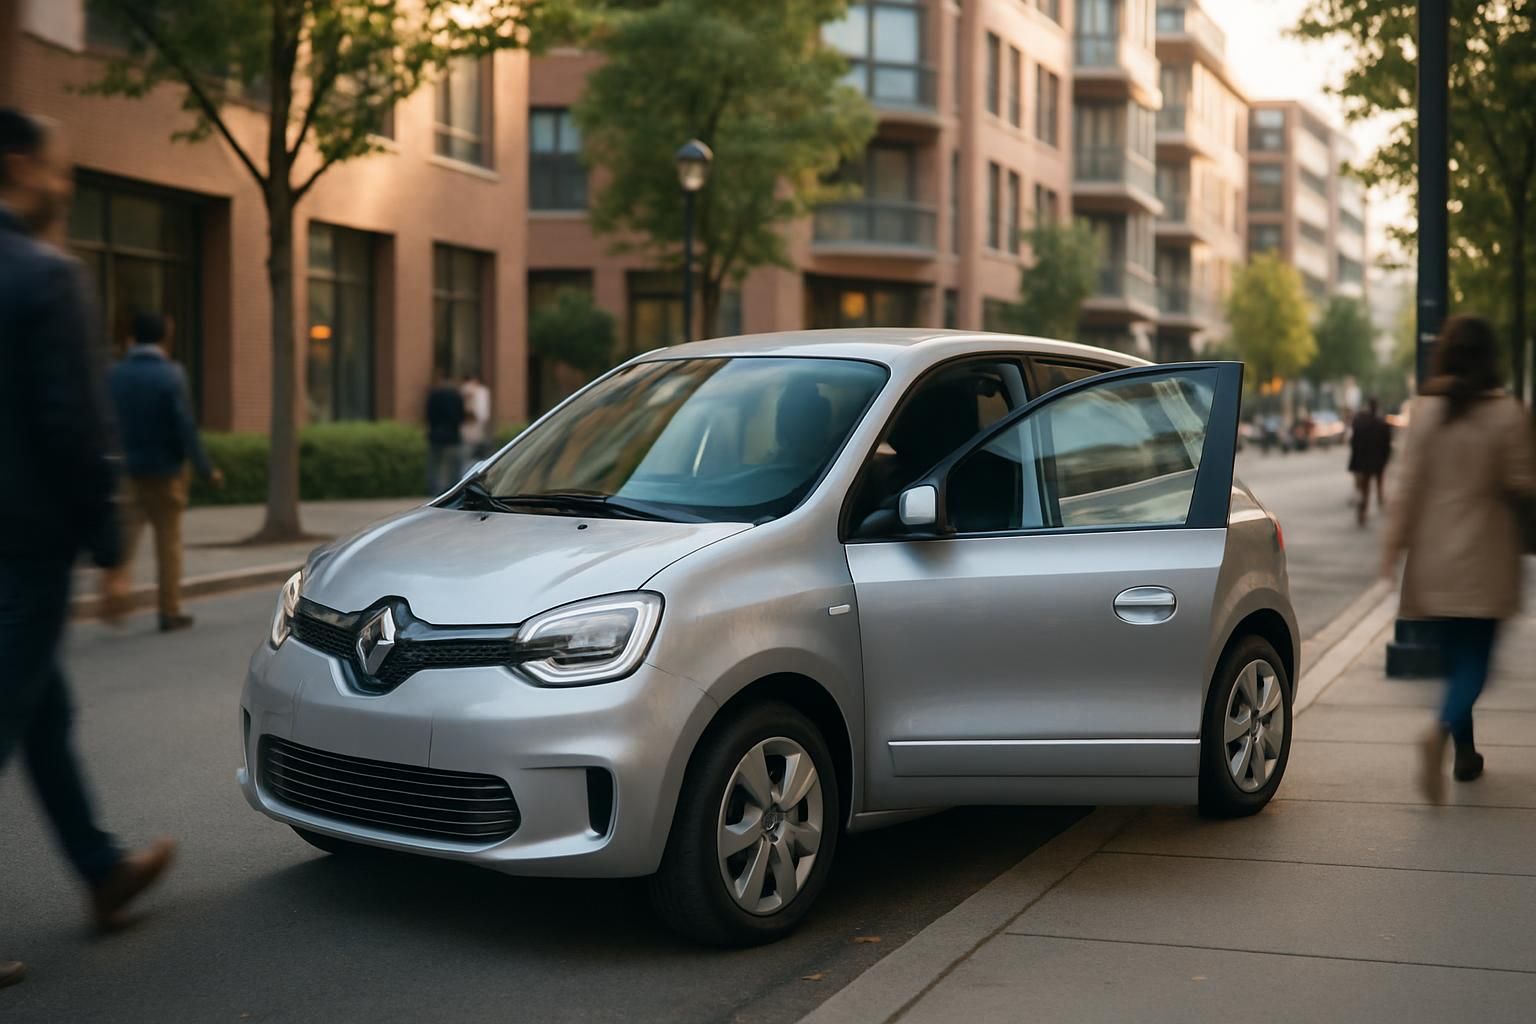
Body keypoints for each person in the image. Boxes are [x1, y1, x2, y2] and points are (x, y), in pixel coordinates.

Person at [0, 108, 176, 991]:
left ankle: (101, 869)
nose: (67, 185)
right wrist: (111, 550)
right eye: (62, 169)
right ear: (24, 165)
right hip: (23, 546)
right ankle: (100, 867)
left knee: (43, 715)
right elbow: (73, 427)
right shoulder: (43, 277)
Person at [1382, 315, 1536, 803]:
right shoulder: (1507, 413)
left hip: (1434, 559)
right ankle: (1440, 731)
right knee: (1475, 666)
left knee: (1454, 664)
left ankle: (1464, 756)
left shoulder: (1425, 410)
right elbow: (1524, 485)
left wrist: (1391, 548)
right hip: (1485, 559)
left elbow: (1407, 489)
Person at [107, 312, 222, 632]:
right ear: (164, 336)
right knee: (168, 545)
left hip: (128, 470)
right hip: (166, 472)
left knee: (124, 540)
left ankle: (115, 597)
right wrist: (205, 469)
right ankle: (168, 611)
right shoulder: (172, 375)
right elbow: (185, 427)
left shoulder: (116, 374)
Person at [1348, 396, 1392, 525]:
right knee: (1377, 484)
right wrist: (1385, 459)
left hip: (1364, 461)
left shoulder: (1361, 423)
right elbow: (1387, 445)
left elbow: (1354, 443)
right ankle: (1378, 502)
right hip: (1377, 461)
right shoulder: (1382, 424)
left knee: (1365, 488)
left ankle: (1363, 511)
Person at [425, 370, 467, 495]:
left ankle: (433, 491)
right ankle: (452, 491)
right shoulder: (456, 396)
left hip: (436, 435)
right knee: (454, 467)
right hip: (453, 436)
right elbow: (460, 416)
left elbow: (429, 415)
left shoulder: (434, 395)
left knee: (434, 467)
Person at [460, 372, 492, 464]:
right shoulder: (479, 390)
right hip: (473, 420)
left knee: (472, 444)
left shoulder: (474, 390)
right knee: (471, 444)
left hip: (473, 420)